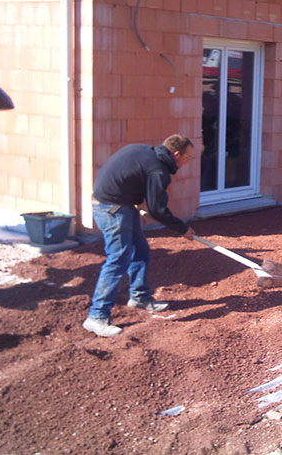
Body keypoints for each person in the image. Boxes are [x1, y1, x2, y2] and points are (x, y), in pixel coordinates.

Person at [84, 134, 197, 337]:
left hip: (121, 203)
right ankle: (97, 316)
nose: (187, 162)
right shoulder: (157, 170)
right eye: (187, 158)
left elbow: (131, 175)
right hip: (112, 208)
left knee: (140, 250)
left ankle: (140, 297)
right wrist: (182, 229)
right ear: (176, 154)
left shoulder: (146, 151)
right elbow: (157, 210)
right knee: (118, 258)